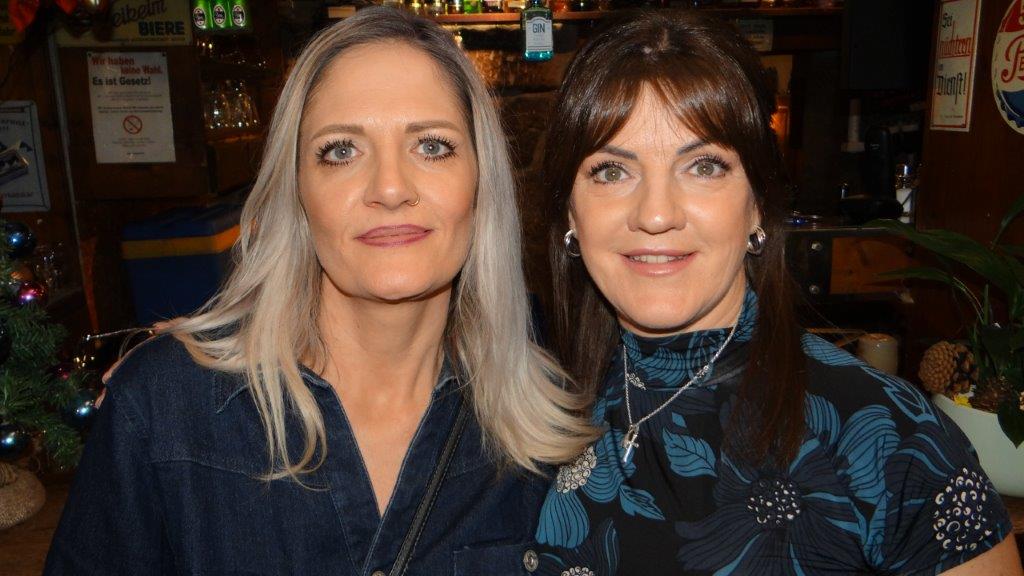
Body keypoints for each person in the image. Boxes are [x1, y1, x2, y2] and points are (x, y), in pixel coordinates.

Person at [44, 8, 595, 575]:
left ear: (480, 182)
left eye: (431, 146)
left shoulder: (549, 429)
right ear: (297, 193)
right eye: (341, 150)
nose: (389, 187)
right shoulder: (164, 407)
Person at [533, 10, 1021, 576]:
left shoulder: (888, 435)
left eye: (704, 166)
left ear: (757, 205)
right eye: (612, 172)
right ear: (572, 214)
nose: (657, 213)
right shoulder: (532, 407)